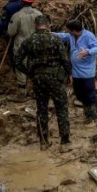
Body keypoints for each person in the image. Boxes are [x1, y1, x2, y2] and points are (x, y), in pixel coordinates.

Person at [14, 15, 73, 152]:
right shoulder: (55, 39)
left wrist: (30, 73)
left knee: (41, 109)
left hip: (38, 79)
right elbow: (64, 59)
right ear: (48, 24)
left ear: (35, 25)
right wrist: (69, 74)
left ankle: (43, 141)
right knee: (61, 108)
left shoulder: (29, 41)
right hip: (55, 79)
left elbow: (17, 60)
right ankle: (65, 142)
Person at [53, 19, 97, 122]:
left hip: (87, 71)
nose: (67, 31)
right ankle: (87, 113)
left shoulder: (88, 36)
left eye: (68, 30)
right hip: (76, 71)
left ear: (74, 30)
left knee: (90, 93)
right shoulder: (71, 36)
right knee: (79, 93)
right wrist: (46, 33)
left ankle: (95, 116)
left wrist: (87, 51)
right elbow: (61, 36)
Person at [7, 0, 41, 90]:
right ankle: (36, 85)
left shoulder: (17, 16)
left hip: (21, 43)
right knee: (36, 63)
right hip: (36, 42)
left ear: (21, 2)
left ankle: (22, 87)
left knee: (20, 63)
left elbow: (11, 32)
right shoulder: (39, 14)